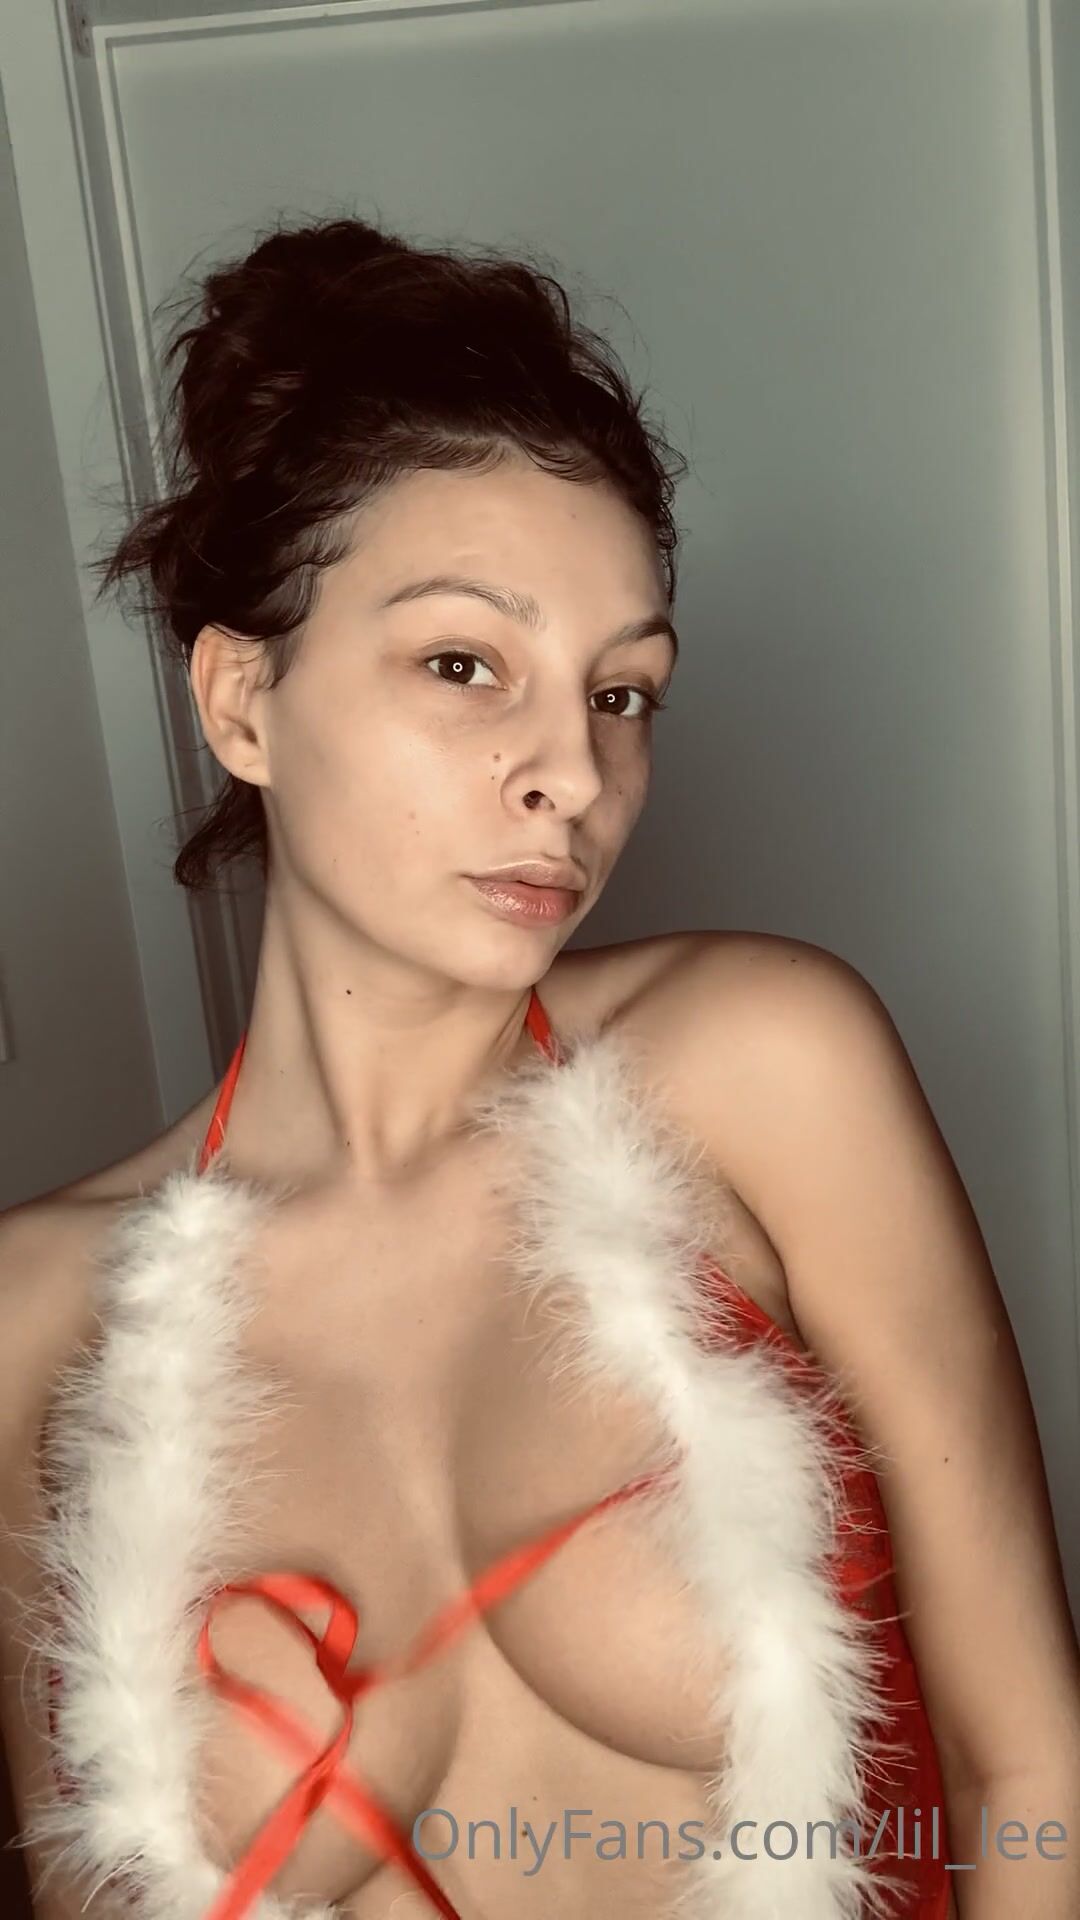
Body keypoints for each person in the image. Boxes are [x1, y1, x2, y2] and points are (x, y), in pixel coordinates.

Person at [0, 212, 1077, 1920]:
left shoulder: (760, 1066)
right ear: (243, 703)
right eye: (463, 664)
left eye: (622, 692)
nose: (572, 772)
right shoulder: (37, 1320)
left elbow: (1032, 1771)